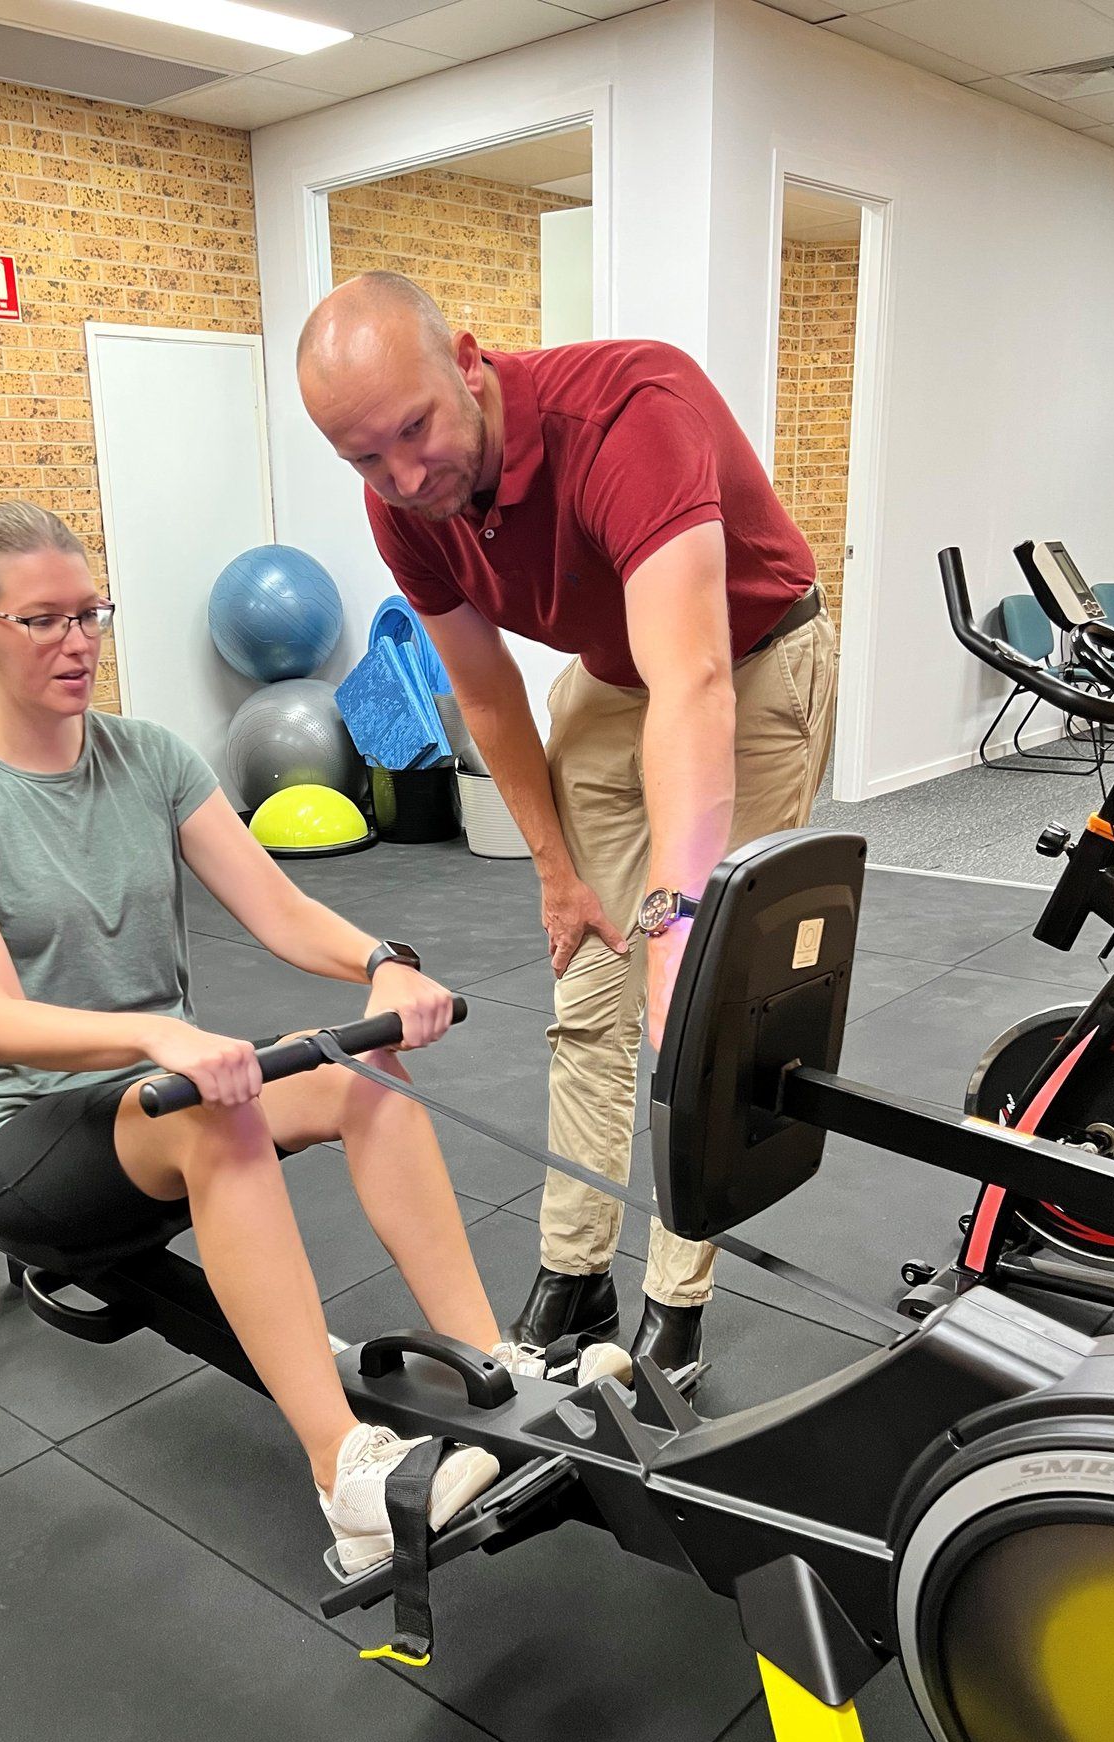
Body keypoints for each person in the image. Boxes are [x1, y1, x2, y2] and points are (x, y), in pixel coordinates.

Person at [0, 499, 631, 1580]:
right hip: (22, 1134)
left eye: (88, 611)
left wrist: (384, 959)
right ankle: (350, 1479)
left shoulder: (149, 758)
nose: (77, 640)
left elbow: (277, 909)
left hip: (159, 1096)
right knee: (217, 1120)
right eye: (40, 620)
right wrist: (155, 1033)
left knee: (362, 1070)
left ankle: (490, 1364)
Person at [298, 272, 839, 1393]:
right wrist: (555, 874)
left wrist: (682, 923)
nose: (404, 475)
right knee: (592, 990)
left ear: (469, 358)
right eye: (365, 458)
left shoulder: (630, 414)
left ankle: (675, 1299)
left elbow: (692, 681)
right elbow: (487, 693)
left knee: (706, 1011)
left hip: (744, 662)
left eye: (415, 429)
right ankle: (574, 1266)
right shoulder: (401, 503)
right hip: (609, 685)